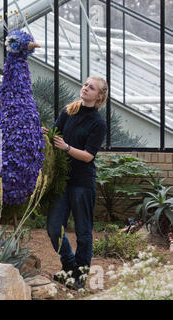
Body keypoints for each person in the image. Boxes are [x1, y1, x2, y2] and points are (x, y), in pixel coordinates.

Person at [41, 76, 108, 290]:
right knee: (53, 228)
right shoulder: (68, 111)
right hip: (62, 181)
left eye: (92, 88)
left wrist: (67, 148)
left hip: (82, 183)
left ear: (99, 96)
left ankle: (80, 276)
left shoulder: (98, 123)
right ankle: (69, 266)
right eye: (86, 85)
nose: (86, 88)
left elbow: (89, 156)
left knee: (83, 232)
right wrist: (46, 133)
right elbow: (55, 134)